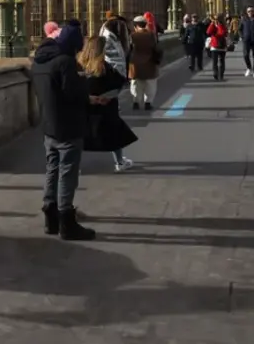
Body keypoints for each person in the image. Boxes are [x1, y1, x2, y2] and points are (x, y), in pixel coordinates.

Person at [30, 20, 95, 241]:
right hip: (68, 126)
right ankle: (67, 221)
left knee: (52, 170)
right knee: (67, 173)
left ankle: (51, 218)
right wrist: (85, 81)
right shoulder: (65, 62)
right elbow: (74, 94)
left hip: (49, 126)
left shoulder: (38, 62)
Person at [97, 21, 135, 171]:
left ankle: (75, 164)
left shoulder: (86, 67)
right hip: (108, 98)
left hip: (94, 101)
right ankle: (119, 162)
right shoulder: (113, 43)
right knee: (114, 129)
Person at [129, 15, 161, 110]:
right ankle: (148, 102)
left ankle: (136, 102)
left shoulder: (132, 36)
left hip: (135, 64)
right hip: (149, 63)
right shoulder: (151, 35)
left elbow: (129, 49)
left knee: (136, 84)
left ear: (135, 26)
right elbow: (155, 47)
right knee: (150, 84)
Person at [207, 14, 229, 81]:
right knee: (214, 61)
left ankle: (221, 74)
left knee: (222, 61)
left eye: (217, 19)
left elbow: (222, 33)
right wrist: (212, 24)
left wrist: (219, 25)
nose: (216, 20)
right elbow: (208, 32)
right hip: (214, 46)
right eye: (215, 19)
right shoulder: (213, 25)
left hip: (222, 46)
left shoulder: (223, 26)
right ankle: (215, 73)